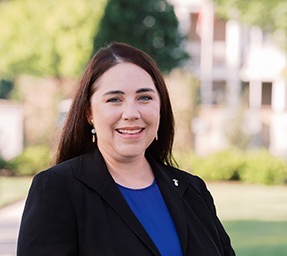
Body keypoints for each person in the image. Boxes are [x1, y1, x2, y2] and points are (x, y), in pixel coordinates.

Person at [17, 42, 235, 256]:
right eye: (114, 99)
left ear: (161, 107)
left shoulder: (193, 191)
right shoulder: (58, 189)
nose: (131, 113)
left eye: (144, 98)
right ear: (89, 113)